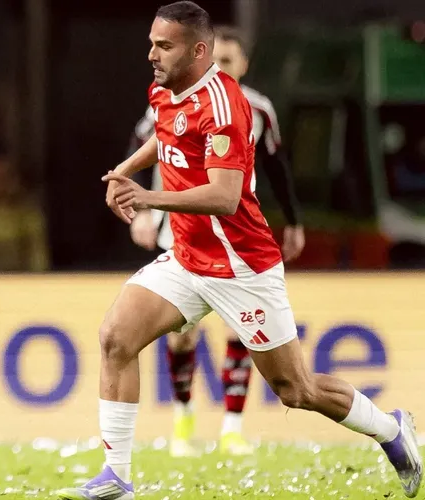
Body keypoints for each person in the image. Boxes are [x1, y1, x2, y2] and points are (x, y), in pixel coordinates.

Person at [56, 2, 423, 499]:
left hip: (241, 266)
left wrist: (148, 197)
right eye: (152, 43)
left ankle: (391, 428)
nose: (151, 55)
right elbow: (166, 135)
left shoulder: (225, 107)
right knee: (115, 338)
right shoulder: (164, 89)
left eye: (164, 46)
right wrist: (126, 169)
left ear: (198, 51)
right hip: (188, 258)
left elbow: (224, 197)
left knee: (296, 389)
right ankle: (116, 477)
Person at [126, 24, 305, 457]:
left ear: (243, 64)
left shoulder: (256, 109)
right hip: (180, 232)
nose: (218, 68)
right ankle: (183, 421)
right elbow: (145, 142)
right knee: (179, 337)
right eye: (213, 60)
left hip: (234, 239)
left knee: (240, 331)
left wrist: (293, 221)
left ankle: (232, 427)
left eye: (227, 61)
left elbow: (276, 167)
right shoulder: (173, 98)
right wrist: (143, 207)